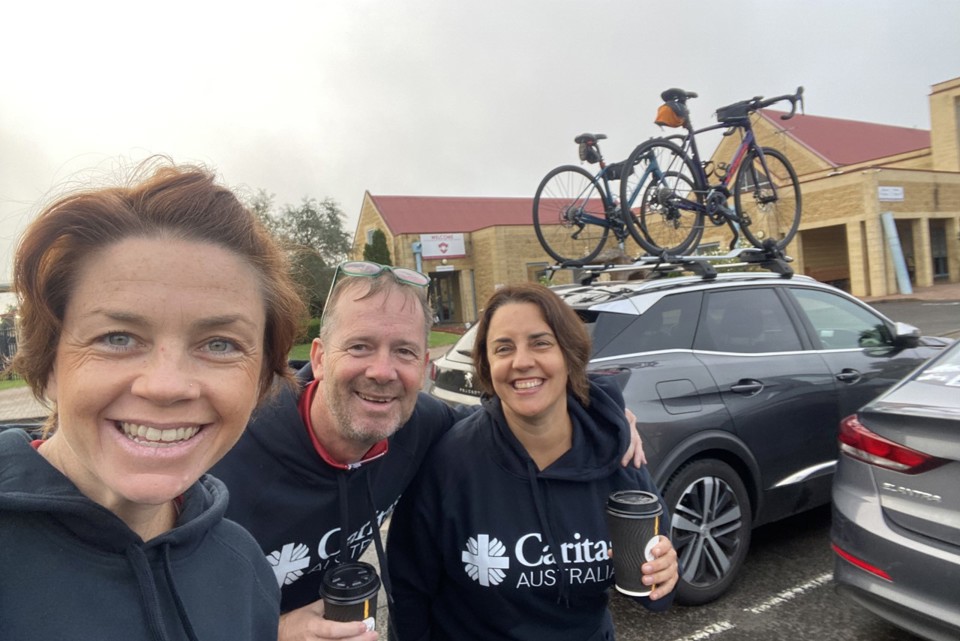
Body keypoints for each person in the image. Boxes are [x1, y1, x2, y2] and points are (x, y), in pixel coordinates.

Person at [211, 261, 646, 641]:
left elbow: (505, 427)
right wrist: (273, 631)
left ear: (424, 369)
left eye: (403, 352)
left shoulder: (425, 426)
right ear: (321, 358)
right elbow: (148, 611)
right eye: (360, 346)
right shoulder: (222, 456)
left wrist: (605, 413)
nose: (382, 372)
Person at [0, 161, 305, 640]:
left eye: (220, 344)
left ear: (260, 379)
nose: (166, 386)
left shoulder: (243, 568)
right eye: (118, 337)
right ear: (50, 365)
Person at [387, 283, 679, 641]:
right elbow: (408, 592)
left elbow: (654, 591)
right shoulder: (449, 462)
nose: (522, 361)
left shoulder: (616, 449)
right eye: (503, 348)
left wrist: (663, 572)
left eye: (540, 343)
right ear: (487, 365)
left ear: (569, 355)